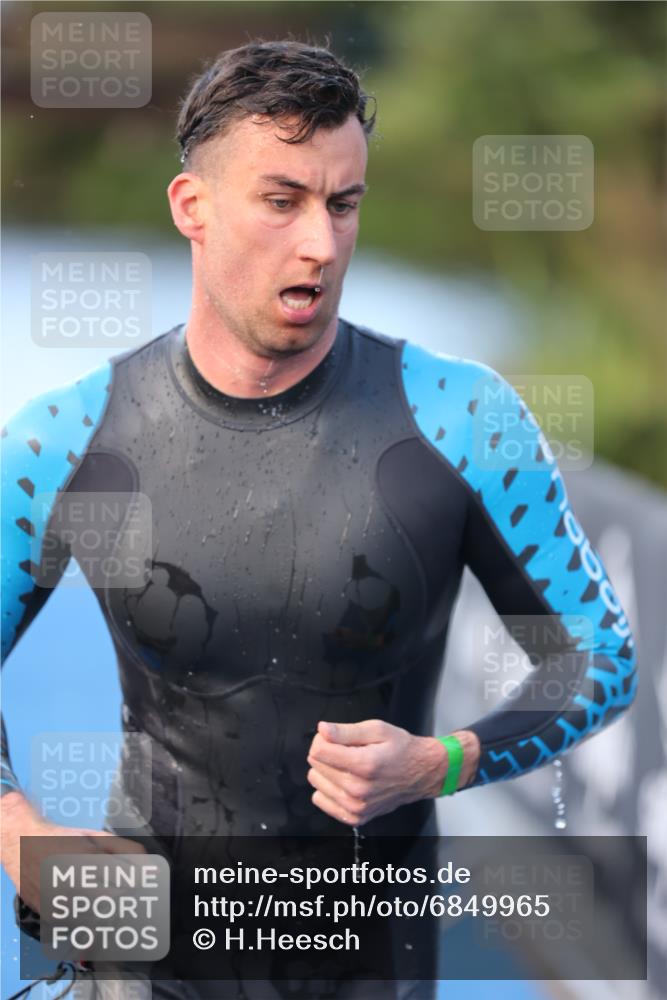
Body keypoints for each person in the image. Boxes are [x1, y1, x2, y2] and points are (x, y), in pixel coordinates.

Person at [1, 39, 637, 999]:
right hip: (141, 948)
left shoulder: (462, 418)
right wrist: (20, 830)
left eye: (343, 204)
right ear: (193, 208)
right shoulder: (68, 439)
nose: (321, 243)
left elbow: (600, 654)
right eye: (282, 198)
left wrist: (441, 760)